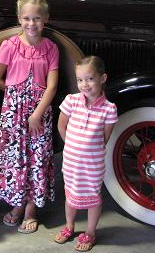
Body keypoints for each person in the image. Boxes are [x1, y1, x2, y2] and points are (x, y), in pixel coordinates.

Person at [0, 0, 59, 234]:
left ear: (46, 19)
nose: (32, 24)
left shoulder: (51, 48)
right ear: (19, 19)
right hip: (13, 114)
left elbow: (51, 86)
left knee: (37, 159)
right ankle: (17, 204)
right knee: (15, 159)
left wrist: (36, 113)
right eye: (27, 18)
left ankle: (31, 209)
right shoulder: (10, 46)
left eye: (37, 19)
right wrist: (14, 97)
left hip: (40, 115)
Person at [54, 56, 118, 252]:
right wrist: (72, 145)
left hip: (92, 164)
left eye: (90, 79)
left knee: (92, 197)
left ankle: (90, 232)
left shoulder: (109, 109)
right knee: (70, 195)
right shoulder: (71, 101)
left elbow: (105, 137)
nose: (84, 84)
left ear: (103, 78)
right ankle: (69, 225)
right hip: (71, 162)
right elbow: (61, 125)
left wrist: (88, 149)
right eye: (80, 80)